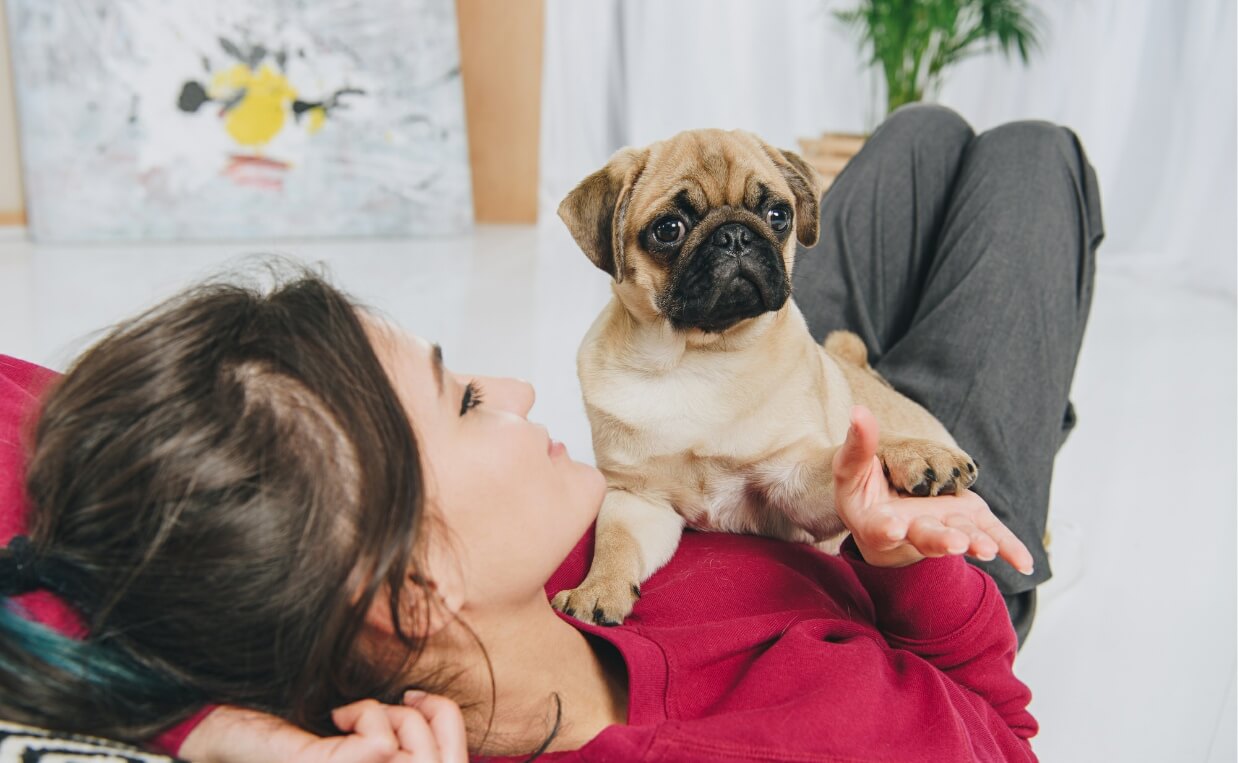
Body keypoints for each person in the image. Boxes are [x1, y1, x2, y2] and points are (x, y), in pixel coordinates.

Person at [0, 103, 1099, 762]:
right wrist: (911, 561)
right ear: (412, 583)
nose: (519, 389)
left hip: (784, 377)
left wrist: (206, 725)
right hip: (913, 542)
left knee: (918, 136)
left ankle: (849, 353)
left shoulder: (320, 565)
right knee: (1029, 156)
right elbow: (998, 728)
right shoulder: (798, 734)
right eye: (466, 400)